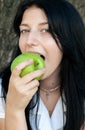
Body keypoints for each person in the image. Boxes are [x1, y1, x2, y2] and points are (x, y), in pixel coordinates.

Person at [0, 0, 85, 130]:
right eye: (25, 30)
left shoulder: (81, 86)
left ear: (68, 37)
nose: (29, 41)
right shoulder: (3, 88)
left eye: (45, 29)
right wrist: (14, 109)